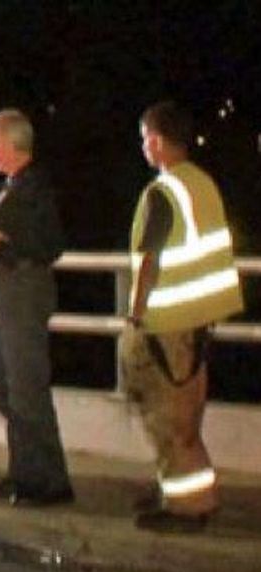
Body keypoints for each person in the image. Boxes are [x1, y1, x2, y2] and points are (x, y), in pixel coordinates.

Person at [122, 100, 243, 533]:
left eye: (143, 139)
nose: (142, 147)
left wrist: (135, 317)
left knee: (168, 420)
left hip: (166, 324)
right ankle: (190, 494)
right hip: (198, 322)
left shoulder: (162, 192)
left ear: (155, 141)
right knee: (187, 418)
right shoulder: (202, 184)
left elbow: (150, 261)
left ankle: (187, 509)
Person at [0, 108, 74, 506]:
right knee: (7, 387)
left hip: (24, 288)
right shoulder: (14, 186)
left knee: (26, 388)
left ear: (13, 144)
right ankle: (23, 472)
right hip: (10, 287)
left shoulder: (29, 187)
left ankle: (49, 482)